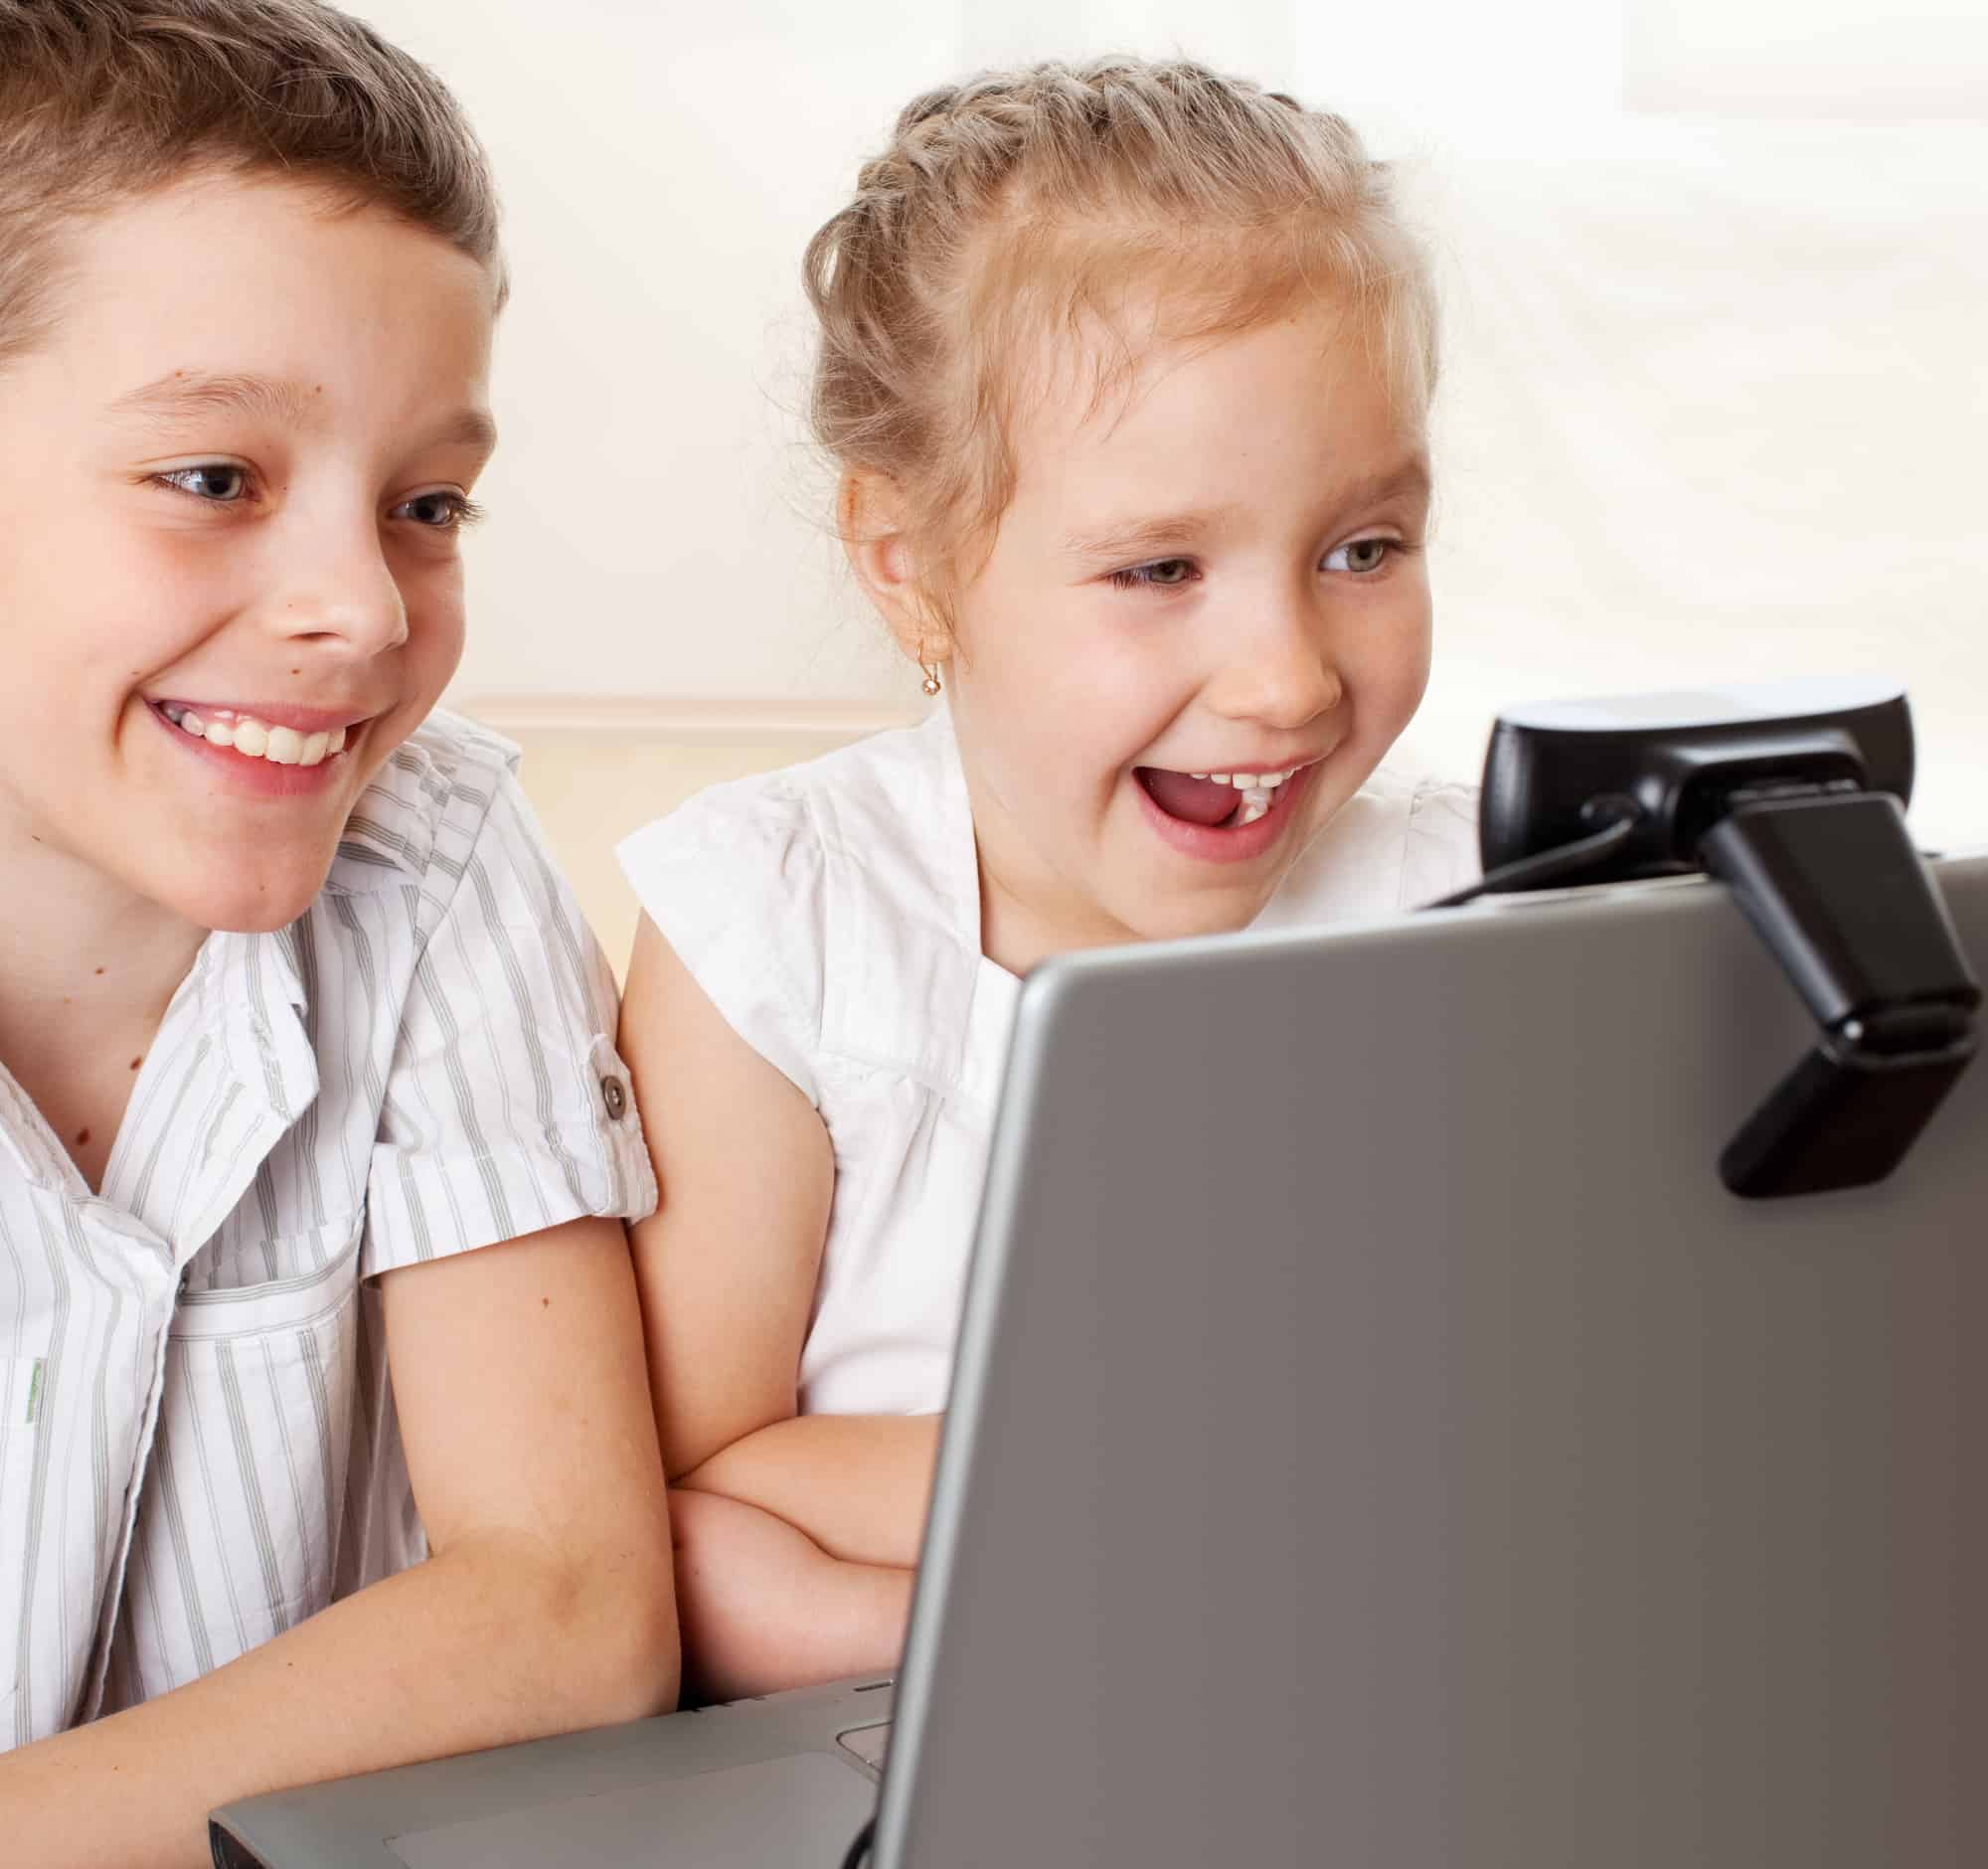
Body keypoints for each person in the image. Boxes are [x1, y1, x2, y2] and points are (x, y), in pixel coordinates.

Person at [616, 57, 1478, 1702]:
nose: (1288, 679)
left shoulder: (1479, 907)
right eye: (1160, 568)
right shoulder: (776, 925)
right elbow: (681, 1513)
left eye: (1362, 550)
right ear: (913, 567)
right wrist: (1165, 1574)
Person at [0, 4, 675, 1856]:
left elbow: (565, 1610)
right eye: (215, 479)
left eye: (427, 504)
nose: (365, 609)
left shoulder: (431, 858)